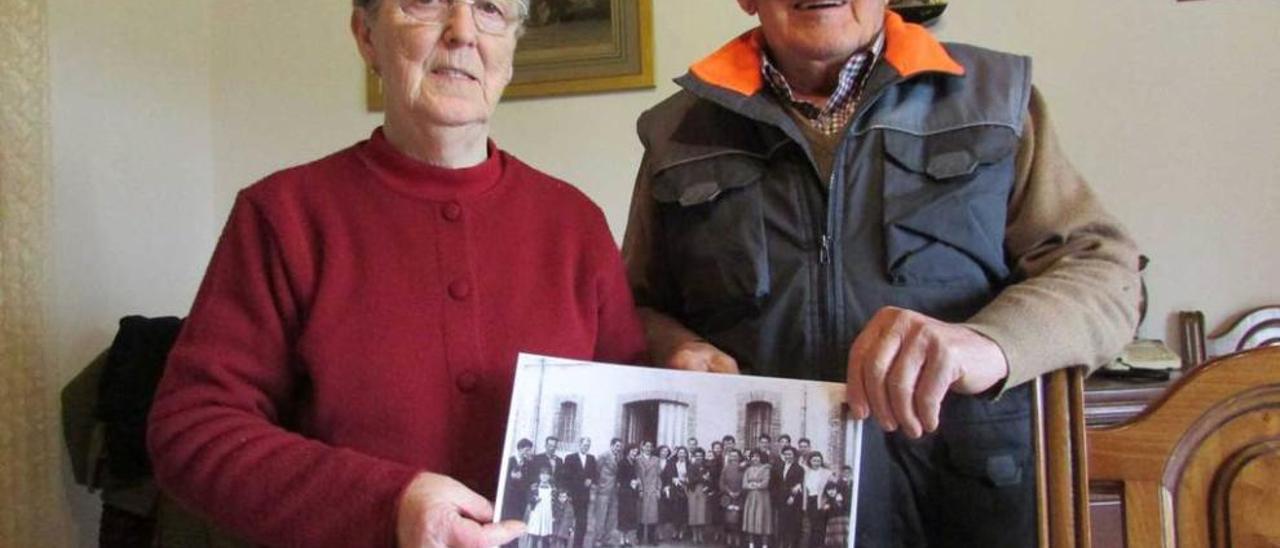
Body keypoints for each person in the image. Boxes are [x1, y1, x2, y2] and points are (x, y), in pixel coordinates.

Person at [621, 0, 1141, 544]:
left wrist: (987, 344)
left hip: (971, 505)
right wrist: (671, 346)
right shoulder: (675, 134)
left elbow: (1104, 271)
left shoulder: (996, 95)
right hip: (775, 517)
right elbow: (632, 309)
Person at [145, 1, 648, 546]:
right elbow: (192, 429)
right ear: (367, 36)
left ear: (510, 52)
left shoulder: (575, 223)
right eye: (425, 3)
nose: (462, 32)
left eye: (491, 9)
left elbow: (627, 401)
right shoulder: (284, 215)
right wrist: (393, 505)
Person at [563, 437, 597, 548]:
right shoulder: (570, 458)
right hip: (572, 495)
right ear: (579, 444)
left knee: (582, 523)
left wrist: (591, 480)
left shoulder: (591, 459)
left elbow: (596, 475)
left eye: (588, 445)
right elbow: (566, 476)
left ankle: (577, 546)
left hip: (584, 497)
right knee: (566, 523)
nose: (586, 447)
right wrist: (580, 481)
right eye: (584, 444)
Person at [592, 438, 625, 548]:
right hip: (603, 490)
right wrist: (600, 484)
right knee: (601, 516)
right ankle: (598, 540)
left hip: (614, 492)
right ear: (611, 446)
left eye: (620, 447)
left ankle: (607, 539)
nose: (618, 449)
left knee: (611, 517)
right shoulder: (604, 456)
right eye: (616, 446)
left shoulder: (619, 457)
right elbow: (596, 470)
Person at [772, 446, 804, 548]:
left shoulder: (799, 468)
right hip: (780, 499)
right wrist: (775, 497)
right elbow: (774, 483)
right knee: (781, 525)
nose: (787, 456)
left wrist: (792, 497)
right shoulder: (778, 466)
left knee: (792, 525)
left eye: (790, 454)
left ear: (794, 456)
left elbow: (799, 484)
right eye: (786, 454)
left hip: (793, 501)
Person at [742, 450, 774, 548]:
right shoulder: (748, 469)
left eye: (757, 456)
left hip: (762, 497)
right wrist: (751, 486)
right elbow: (744, 484)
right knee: (751, 518)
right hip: (751, 497)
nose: (755, 458)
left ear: (761, 458)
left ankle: (765, 545)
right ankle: (751, 544)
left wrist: (755, 484)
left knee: (763, 518)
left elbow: (765, 483)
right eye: (753, 457)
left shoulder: (766, 469)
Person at [801, 453, 833, 548]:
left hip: (821, 502)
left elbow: (834, 488)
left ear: (821, 461)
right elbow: (804, 489)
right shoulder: (806, 473)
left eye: (818, 461)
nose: (816, 463)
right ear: (810, 461)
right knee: (811, 527)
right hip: (809, 501)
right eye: (814, 460)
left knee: (819, 528)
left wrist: (828, 502)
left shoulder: (827, 473)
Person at [503, 438, 537, 525]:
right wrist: (511, 477)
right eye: (527, 450)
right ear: (520, 449)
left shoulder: (529, 464)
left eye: (530, 450)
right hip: (509, 500)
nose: (529, 452)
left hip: (521, 501)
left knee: (517, 524)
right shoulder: (509, 461)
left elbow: (530, 481)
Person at [637, 441, 663, 545]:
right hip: (642, 490)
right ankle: (639, 538)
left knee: (653, 515)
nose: (648, 448)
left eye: (650, 446)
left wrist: (658, 489)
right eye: (646, 446)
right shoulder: (638, 460)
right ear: (642, 447)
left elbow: (658, 476)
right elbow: (637, 476)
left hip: (652, 489)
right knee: (641, 515)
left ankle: (652, 538)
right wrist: (640, 489)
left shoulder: (656, 460)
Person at [720, 449, 746, 548]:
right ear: (729, 457)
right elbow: (722, 483)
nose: (734, 457)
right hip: (728, 496)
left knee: (738, 519)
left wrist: (740, 492)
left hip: (740, 496)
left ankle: (738, 539)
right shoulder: (725, 468)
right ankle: (729, 539)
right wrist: (729, 492)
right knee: (728, 520)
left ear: (739, 457)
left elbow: (746, 481)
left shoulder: (743, 468)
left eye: (736, 455)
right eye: (732, 455)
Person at [617, 445, 642, 547]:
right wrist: (629, 482)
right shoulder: (622, 462)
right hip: (624, 492)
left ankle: (627, 538)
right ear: (628, 451)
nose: (634, 453)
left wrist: (637, 481)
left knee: (630, 516)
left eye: (636, 452)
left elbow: (636, 475)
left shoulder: (635, 463)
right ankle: (621, 539)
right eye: (633, 451)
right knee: (623, 515)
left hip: (632, 493)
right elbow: (619, 478)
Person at [528, 468, 558, 548]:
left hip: (548, 512)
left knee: (546, 533)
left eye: (546, 474)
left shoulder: (553, 487)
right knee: (535, 533)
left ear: (549, 476)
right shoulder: (535, 486)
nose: (544, 476)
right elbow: (529, 498)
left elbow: (555, 501)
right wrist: (534, 499)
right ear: (539, 476)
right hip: (537, 512)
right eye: (542, 474)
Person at [687, 448, 712, 544]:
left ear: (703, 456)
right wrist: (702, 478)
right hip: (693, 490)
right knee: (693, 513)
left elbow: (710, 479)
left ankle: (700, 535)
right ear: (694, 457)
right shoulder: (691, 467)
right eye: (696, 456)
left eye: (700, 456)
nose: (699, 458)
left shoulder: (707, 466)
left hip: (703, 491)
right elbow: (691, 479)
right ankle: (694, 535)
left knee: (702, 513)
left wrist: (707, 484)